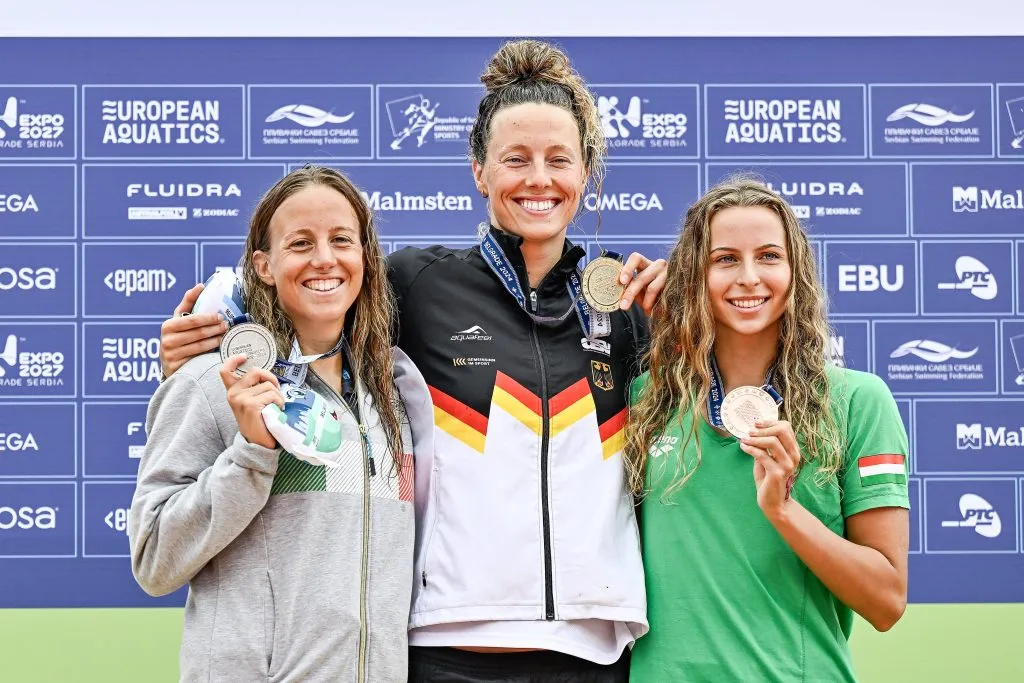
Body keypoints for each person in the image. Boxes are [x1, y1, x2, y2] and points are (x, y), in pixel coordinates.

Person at [158, 40, 667, 682]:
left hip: (594, 646)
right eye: (515, 159)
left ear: (587, 170)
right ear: (479, 171)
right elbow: (308, 287)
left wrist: (688, 306)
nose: (538, 179)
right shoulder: (419, 283)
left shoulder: (626, 299)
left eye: (558, 159)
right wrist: (207, 321)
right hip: (445, 647)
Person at [129, 165, 433, 682]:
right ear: (264, 265)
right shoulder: (213, 382)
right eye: (300, 243)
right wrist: (250, 455)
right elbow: (155, 558)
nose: (324, 259)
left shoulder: (394, 396)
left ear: (365, 258)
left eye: (342, 240)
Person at [624, 177, 910, 682]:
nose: (749, 277)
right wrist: (666, 327)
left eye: (770, 256)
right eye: (725, 259)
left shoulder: (857, 402)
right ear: (694, 274)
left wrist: (783, 510)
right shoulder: (645, 398)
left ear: (796, 271)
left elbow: (886, 601)